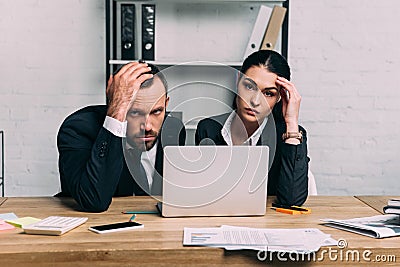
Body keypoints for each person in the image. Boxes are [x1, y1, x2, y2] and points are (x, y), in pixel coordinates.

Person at [56, 62, 186, 212]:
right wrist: (116, 112)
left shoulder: (173, 129)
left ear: (166, 104)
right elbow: (94, 201)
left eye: (156, 111)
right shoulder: (78, 129)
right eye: (135, 113)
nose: (148, 126)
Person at [195, 50, 309, 206]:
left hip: (269, 224)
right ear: (237, 82)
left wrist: (291, 121)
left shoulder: (288, 135)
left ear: (279, 98)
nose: (255, 101)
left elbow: (292, 201)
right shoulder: (209, 128)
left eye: (268, 93)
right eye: (249, 87)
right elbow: (206, 193)